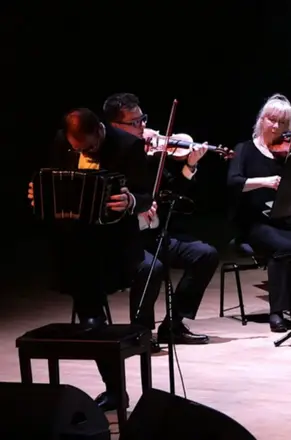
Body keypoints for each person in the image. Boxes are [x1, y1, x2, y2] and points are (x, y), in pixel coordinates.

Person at [28, 108, 152, 411]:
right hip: (75, 244)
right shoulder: (62, 142)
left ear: (100, 130)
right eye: (77, 148)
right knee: (90, 315)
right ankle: (115, 390)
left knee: (92, 314)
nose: (83, 152)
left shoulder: (128, 145)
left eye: (89, 147)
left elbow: (147, 196)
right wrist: (38, 193)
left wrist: (130, 201)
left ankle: (116, 388)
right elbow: (51, 180)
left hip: (114, 245)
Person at [102, 93, 217, 346]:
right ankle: (141, 331)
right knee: (151, 268)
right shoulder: (110, 159)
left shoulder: (151, 155)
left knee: (205, 254)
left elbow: (172, 195)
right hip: (125, 240)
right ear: (114, 126)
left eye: (143, 119)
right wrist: (135, 206)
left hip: (155, 235)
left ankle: (173, 325)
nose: (143, 126)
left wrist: (190, 166)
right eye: (135, 122)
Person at [227, 94, 291, 333]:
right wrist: (264, 181)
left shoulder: (288, 153)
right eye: (272, 120)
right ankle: (277, 311)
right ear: (262, 119)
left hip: (286, 218)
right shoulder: (245, 149)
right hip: (255, 221)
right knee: (282, 248)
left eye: (283, 123)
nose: (276, 126)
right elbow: (233, 182)